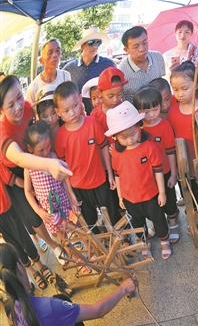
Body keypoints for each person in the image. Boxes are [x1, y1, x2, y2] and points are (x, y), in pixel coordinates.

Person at [0, 242, 137, 326]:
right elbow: (98, 311)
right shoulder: (49, 306)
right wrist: (123, 289)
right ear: (20, 266)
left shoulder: (10, 308)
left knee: (61, 299)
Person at [0, 75, 70, 263]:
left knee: (54, 201)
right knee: (35, 215)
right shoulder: (3, 132)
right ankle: (54, 245)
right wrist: (48, 165)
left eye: (19, 97)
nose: (18, 107)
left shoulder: (29, 110)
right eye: (10, 105)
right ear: (1, 109)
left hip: (38, 161)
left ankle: (65, 236)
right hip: (16, 173)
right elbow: (19, 158)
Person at [107, 101, 172, 259]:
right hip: (130, 197)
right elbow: (117, 174)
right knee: (137, 223)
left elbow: (158, 170)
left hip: (150, 193)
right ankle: (144, 243)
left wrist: (162, 193)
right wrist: (120, 197)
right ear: (115, 137)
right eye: (124, 138)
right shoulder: (116, 152)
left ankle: (164, 241)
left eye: (133, 135)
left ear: (139, 127)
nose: (129, 140)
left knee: (158, 218)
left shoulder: (149, 147)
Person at [53, 81, 121, 233]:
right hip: (78, 186)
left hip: (100, 180)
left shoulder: (92, 123)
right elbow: (64, 168)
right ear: (58, 112)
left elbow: (103, 147)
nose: (72, 113)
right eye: (66, 110)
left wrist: (110, 174)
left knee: (111, 212)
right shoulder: (60, 136)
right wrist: (70, 193)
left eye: (75, 105)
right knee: (90, 221)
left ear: (80, 99)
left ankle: (121, 239)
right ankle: (98, 246)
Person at [23, 121, 84, 268]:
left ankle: (93, 250)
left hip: (63, 202)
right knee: (62, 236)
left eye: (48, 146)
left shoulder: (53, 156)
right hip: (49, 211)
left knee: (77, 226)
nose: (45, 152)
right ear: (30, 149)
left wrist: (71, 196)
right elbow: (27, 191)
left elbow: (64, 178)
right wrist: (38, 211)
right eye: (41, 150)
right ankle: (77, 259)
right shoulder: (29, 167)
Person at [168, 61, 198, 235]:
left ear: (197, 84)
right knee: (190, 189)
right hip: (184, 163)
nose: (180, 94)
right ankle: (194, 217)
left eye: (185, 88)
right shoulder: (173, 111)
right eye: (175, 89)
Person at [133, 86, 179, 241]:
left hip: (165, 171)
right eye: (145, 111)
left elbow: (171, 151)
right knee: (153, 204)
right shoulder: (137, 128)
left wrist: (173, 173)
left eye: (155, 109)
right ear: (137, 111)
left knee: (170, 200)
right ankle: (157, 224)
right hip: (147, 176)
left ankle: (173, 223)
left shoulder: (165, 125)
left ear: (160, 106)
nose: (151, 115)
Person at [1, 167, 53, 291]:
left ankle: (39, 264)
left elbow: (12, 180)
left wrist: (33, 191)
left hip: (7, 210)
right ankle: (31, 268)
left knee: (23, 238)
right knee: (12, 245)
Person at [63, 26, 116, 115]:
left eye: (98, 42)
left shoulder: (109, 65)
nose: (95, 46)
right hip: (77, 118)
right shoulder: (69, 69)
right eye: (91, 42)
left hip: (104, 117)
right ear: (82, 45)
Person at [118, 26, 166, 102]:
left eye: (144, 43)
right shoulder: (121, 72)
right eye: (136, 46)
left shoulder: (158, 57)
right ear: (126, 50)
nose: (142, 49)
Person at [25, 39, 71, 104]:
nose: (55, 55)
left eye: (58, 51)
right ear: (41, 61)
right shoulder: (33, 88)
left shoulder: (65, 76)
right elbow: (31, 113)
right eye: (50, 52)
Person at [90, 67, 127, 136]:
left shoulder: (127, 109)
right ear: (100, 93)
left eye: (119, 94)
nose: (115, 99)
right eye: (110, 96)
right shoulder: (95, 115)